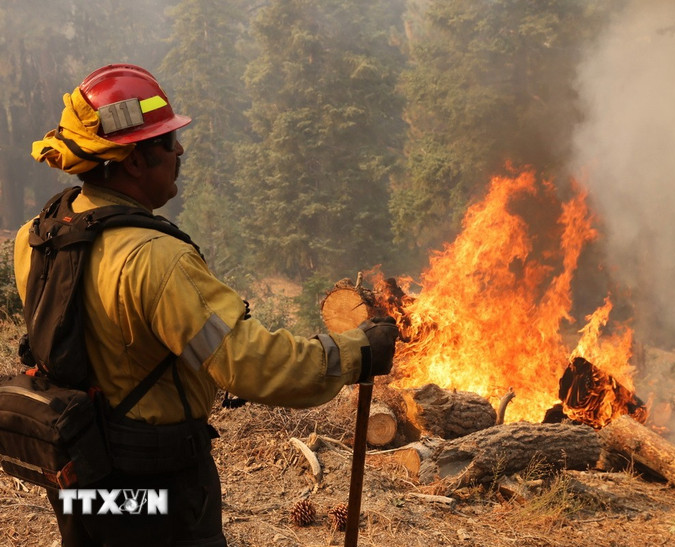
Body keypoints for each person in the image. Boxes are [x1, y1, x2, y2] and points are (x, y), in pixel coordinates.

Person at [14, 63, 399, 546]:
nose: (179, 151)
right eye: (166, 141)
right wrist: (356, 352)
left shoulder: (38, 235)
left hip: (81, 473)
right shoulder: (156, 260)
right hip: (154, 484)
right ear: (133, 161)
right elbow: (250, 364)